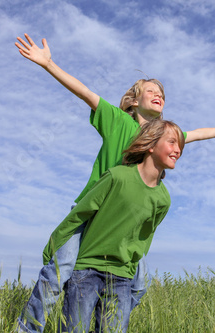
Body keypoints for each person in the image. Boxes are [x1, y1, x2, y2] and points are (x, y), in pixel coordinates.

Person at [14, 33, 215, 333]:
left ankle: (100, 317)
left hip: (121, 223)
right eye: (151, 90)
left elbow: (195, 134)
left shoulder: (162, 137)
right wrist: (48, 64)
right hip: (91, 209)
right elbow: (84, 92)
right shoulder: (117, 120)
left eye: (162, 92)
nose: (158, 94)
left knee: (136, 286)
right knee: (59, 273)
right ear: (134, 101)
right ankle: (27, 329)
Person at [48, 119, 183, 332]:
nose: (178, 150)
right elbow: (78, 215)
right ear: (151, 144)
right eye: (172, 143)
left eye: (180, 146)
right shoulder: (117, 177)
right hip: (86, 271)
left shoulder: (163, 199)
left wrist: (129, 268)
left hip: (121, 277)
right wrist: (52, 250)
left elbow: (144, 238)